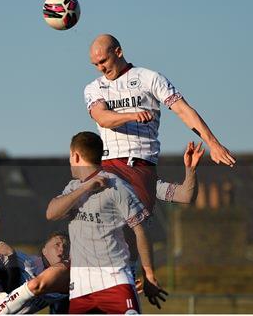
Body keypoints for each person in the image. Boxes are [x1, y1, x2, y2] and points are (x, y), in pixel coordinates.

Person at [0, 141, 205, 314]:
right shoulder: (89, 180)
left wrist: (191, 170)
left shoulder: (143, 181)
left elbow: (185, 195)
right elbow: (53, 211)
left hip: (120, 269)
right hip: (86, 268)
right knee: (47, 288)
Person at [85, 34, 235, 214]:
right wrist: (132, 115)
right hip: (109, 169)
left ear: (118, 52)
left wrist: (213, 143)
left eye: (103, 61)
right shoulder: (93, 88)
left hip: (142, 168)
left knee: (132, 231)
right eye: (95, 65)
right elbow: (102, 117)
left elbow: (183, 110)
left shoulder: (150, 78)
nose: (101, 68)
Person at [46, 131, 166, 314]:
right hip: (80, 287)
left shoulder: (117, 186)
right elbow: (51, 213)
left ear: (75, 155)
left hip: (114, 281)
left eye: (70, 156)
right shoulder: (72, 187)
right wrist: (86, 186)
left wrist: (149, 275)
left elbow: (141, 231)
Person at [0, 231, 70, 315]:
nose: (62, 249)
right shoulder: (23, 260)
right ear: (44, 250)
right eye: (57, 244)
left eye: (66, 247)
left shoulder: (60, 288)